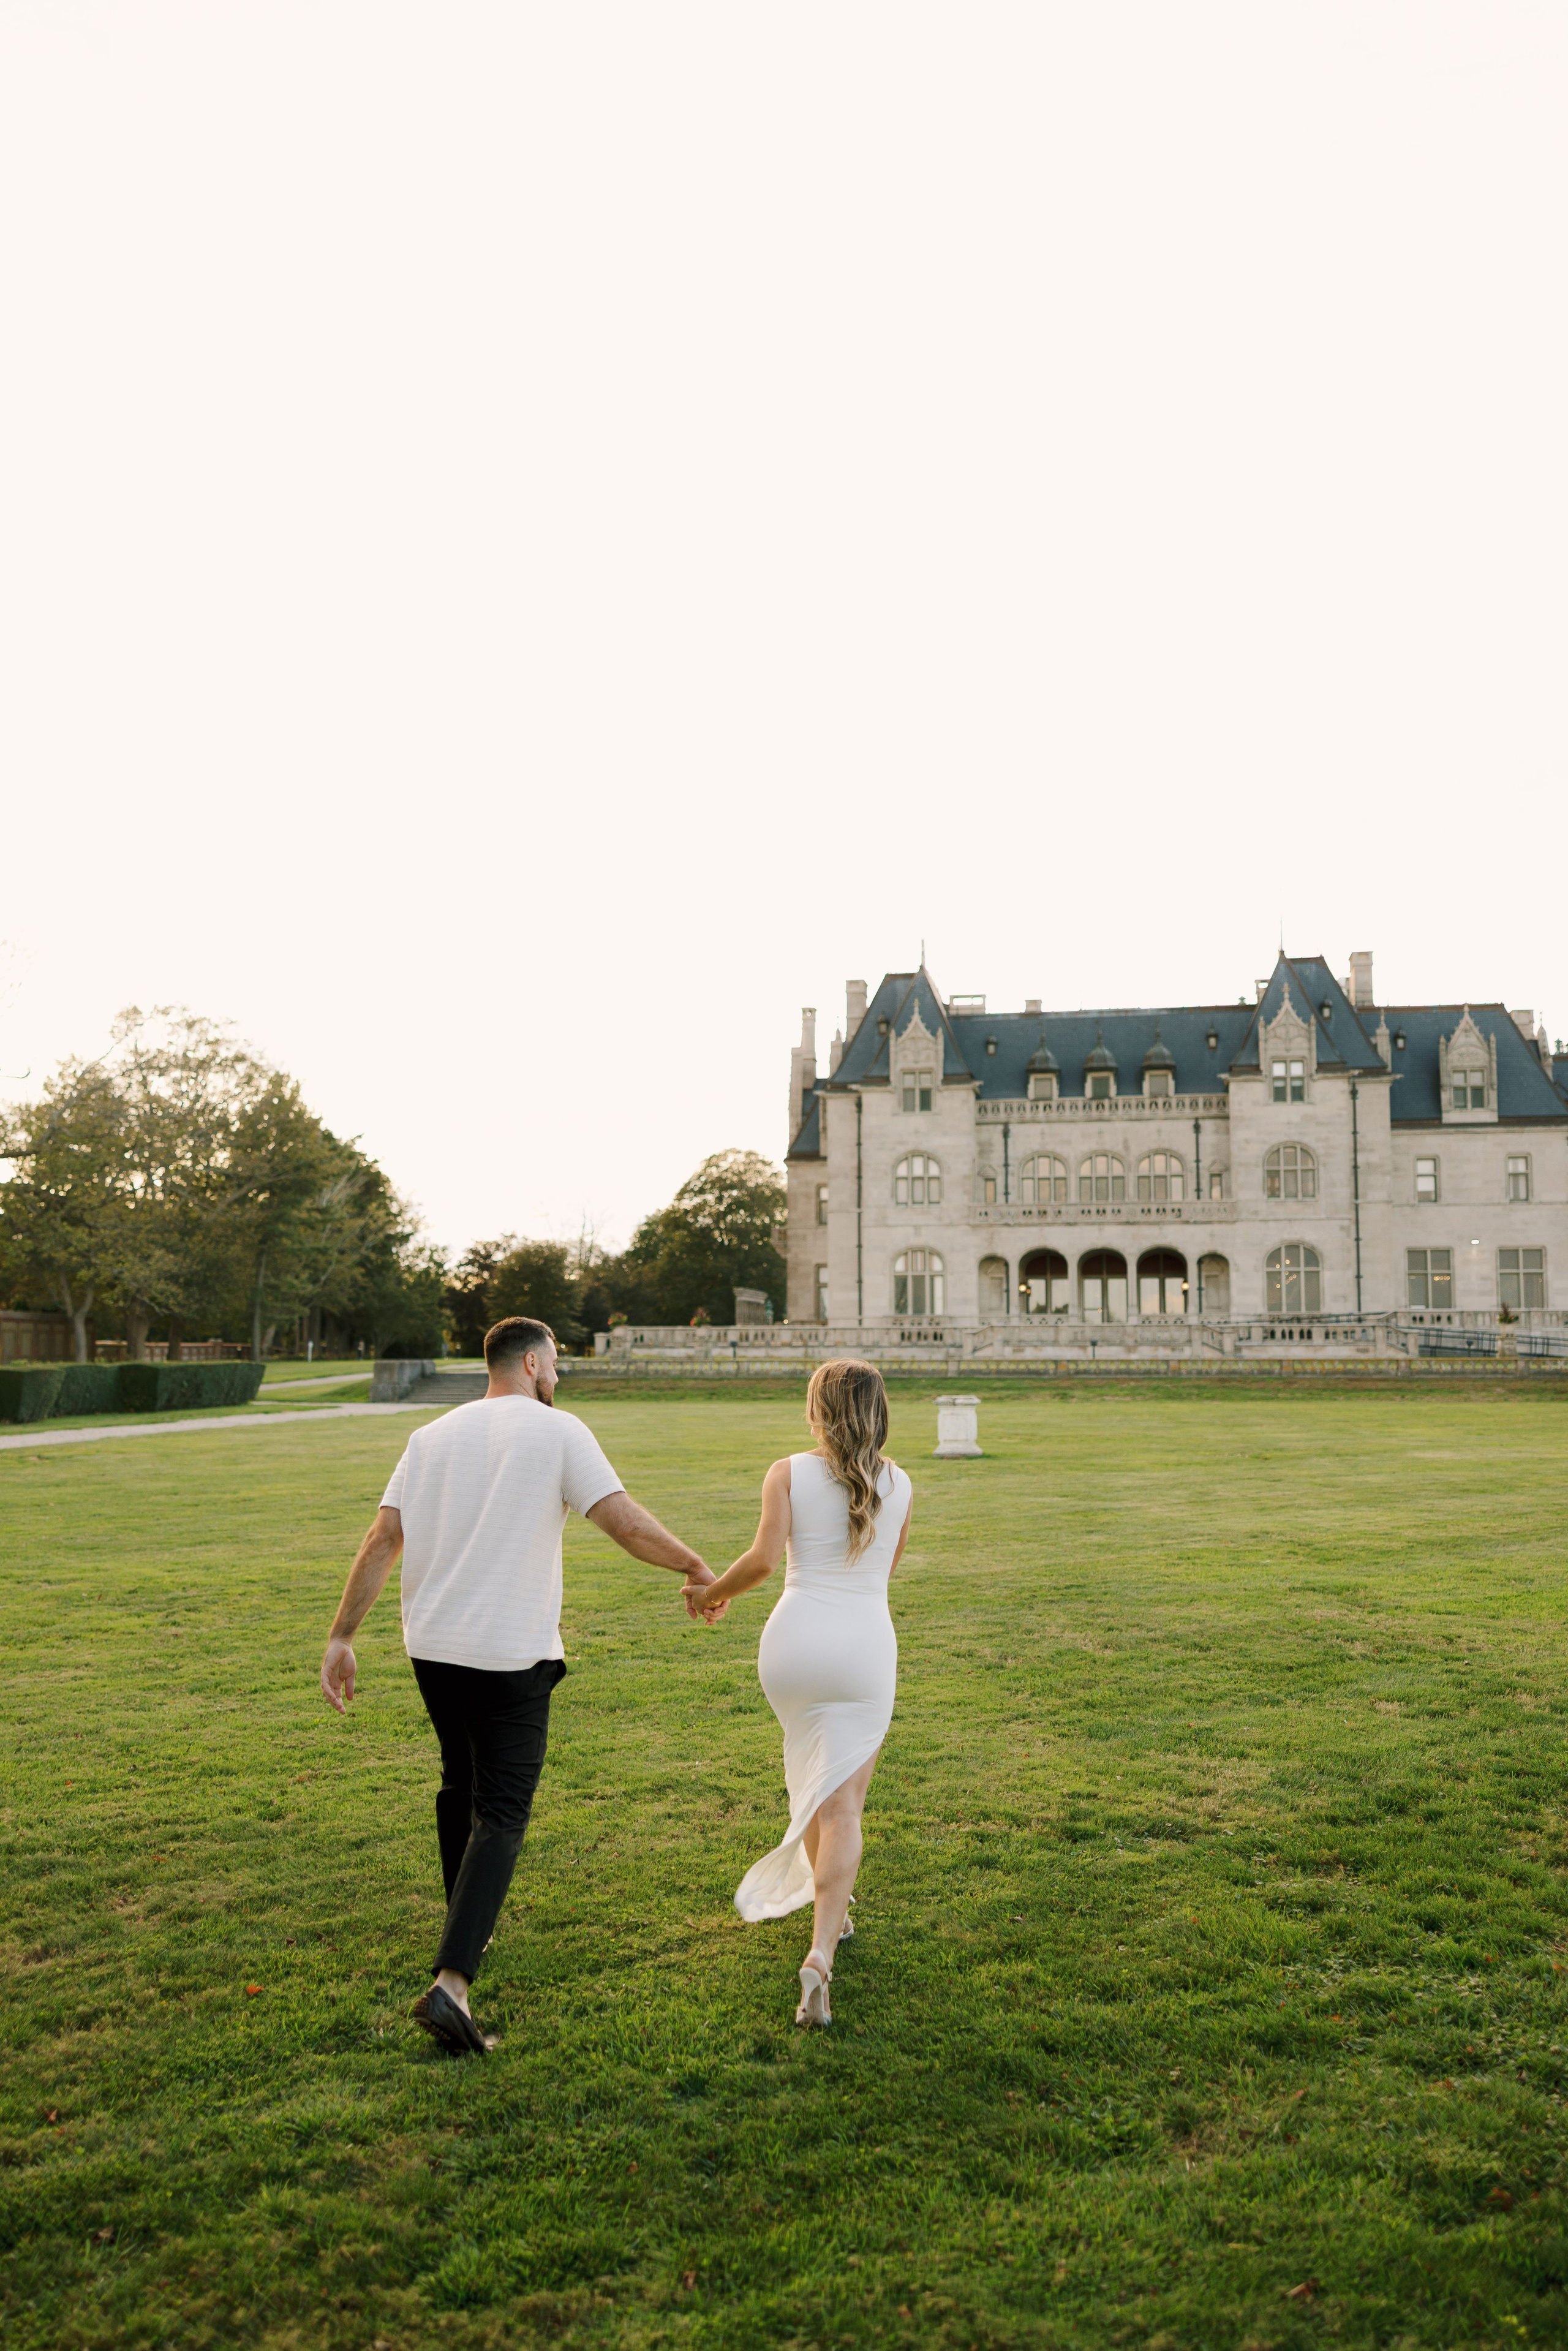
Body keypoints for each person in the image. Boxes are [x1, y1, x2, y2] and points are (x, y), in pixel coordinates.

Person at [319, 1315, 722, 2056]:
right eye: (557, 1364)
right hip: (509, 1651)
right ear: (534, 1363)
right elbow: (621, 1520)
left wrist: (342, 1635)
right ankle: (452, 1986)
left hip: (432, 1647)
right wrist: (697, 1566)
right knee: (500, 1807)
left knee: (460, 1784)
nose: (559, 1377)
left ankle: (464, 1922)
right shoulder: (558, 1430)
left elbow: (381, 1539)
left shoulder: (430, 1437)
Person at [688, 1359, 911, 2027]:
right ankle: (820, 1951)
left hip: (793, 1645)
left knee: (814, 1785)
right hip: (864, 1647)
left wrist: (710, 1595)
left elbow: (761, 1560)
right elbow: (884, 1571)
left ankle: (831, 1921)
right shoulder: (901, 1483)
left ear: (818, 1409)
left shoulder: (786, 1470)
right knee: (843, 1803)